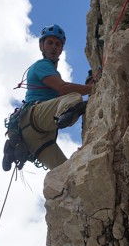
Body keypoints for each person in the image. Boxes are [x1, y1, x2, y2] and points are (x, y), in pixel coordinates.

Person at [16, 24, 96, 170]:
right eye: (50, 43)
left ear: (61, 49)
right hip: (35, 118)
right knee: (74, 97)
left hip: (35, 137)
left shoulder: (49, 69)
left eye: (58, 44)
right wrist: (94, 88)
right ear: (42, 46)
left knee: (65, 173)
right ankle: (65, 117)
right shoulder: (42, 65)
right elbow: (62, 88)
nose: (54, 47)